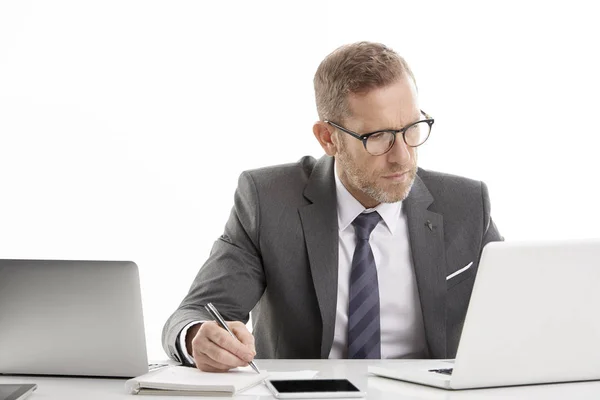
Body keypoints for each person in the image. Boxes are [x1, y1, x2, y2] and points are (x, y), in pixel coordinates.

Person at [162, 41, 502, 372]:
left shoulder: (466, 205)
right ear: (328, 138)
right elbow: (195, 313)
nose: (403, 155)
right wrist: (198, 338)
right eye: (379, 136)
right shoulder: (268, 201)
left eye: (412, 129)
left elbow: (521, 315)